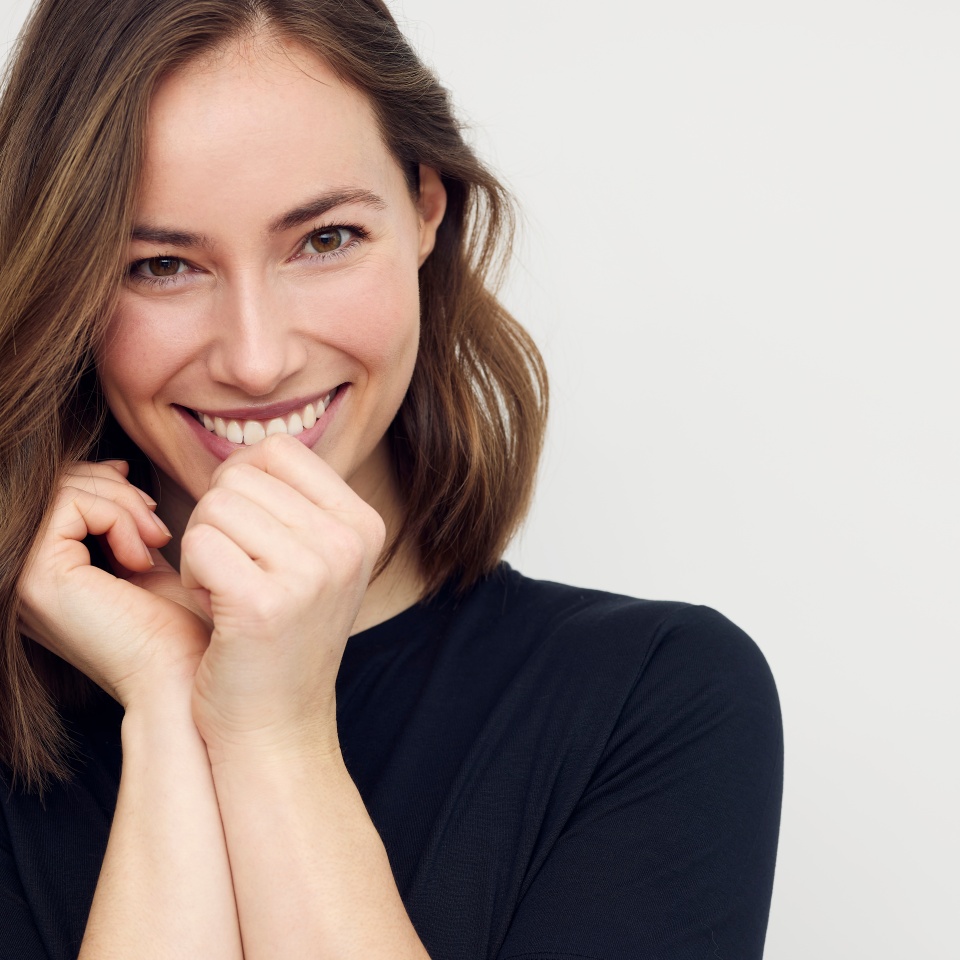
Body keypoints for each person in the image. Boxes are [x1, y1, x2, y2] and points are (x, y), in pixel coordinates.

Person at [0, 1, 783, 957]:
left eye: (324, 239)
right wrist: (167, 695)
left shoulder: (651, 702)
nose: (255, 360)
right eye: (160, 264)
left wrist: (273, 733)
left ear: (425, 206)